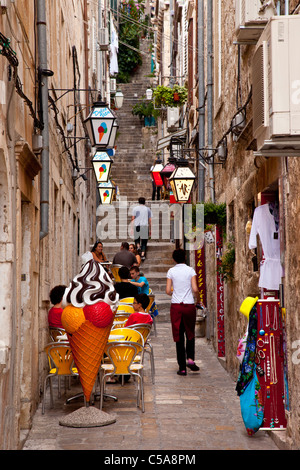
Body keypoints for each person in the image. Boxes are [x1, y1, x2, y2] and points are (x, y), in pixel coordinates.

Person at [166, 248, 200, 376]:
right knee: (190, 333)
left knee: (178, 336)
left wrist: (176, 292)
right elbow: (195, 289)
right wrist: (198, 299)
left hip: (176, 306)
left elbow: (168, 290)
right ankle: (190, 358)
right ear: (185, 258)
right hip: (189, 305)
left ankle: (182, 368)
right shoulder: (190, 270)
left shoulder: (171, 271)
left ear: (174, 259)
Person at [131, 197, 152, 261]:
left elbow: (133, 218)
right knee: (144, 241)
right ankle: (142, 255)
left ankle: (138, 246)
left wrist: (132, 228)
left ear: (138, 201)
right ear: (144, 202)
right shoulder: (147, 209)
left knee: (137, 238)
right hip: (144, 226)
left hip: (137, 225)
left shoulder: (135, 209)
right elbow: (150, 220)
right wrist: (150, 229)